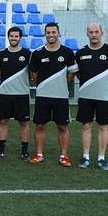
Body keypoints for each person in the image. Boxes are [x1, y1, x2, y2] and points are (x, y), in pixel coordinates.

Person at [29, 22, 78, 167]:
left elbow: (71, 74)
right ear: (45, 34)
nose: (51, 35)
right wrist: (46, 86)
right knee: (39, 126)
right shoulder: (37, 53)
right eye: (48, 32)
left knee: (63, 127)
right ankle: (39, 154)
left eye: (53, 32)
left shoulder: (67, 52)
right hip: (43, 96)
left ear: (58, 33)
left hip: (61, 97)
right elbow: (34, 74)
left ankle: (64, 156)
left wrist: (60, 86)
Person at [75, 23, 108, 170]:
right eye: (91, 32)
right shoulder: (80, 53)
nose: (94, 35)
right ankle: (86, 157)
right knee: (86, 126)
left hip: (104, 97)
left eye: (96, 32)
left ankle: (101, 158)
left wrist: (107, 86)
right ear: (87, 34)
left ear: (101, 33)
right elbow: (77, 73)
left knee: (103, 127)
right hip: (86, 97)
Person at [0, 26, 31, 159]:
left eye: (16, 36)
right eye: (11, 36)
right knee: (3, 121)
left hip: (22, 94)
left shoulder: (27, 54)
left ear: (20, 38)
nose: (14, 38)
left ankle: (24, 151)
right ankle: (1, 149)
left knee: (24, 123)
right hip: (5, 93)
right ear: (8, 37)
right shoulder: (1, 54)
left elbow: (32, 73)